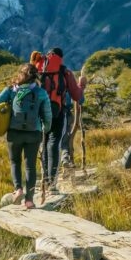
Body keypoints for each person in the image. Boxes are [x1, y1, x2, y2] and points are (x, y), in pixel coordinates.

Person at [0, 63, 52, 209]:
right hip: (34, 133)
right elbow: (47, 115)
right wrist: (46, 129)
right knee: (30, 166)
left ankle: (18, 190)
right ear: (35, 76)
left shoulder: (11, 90)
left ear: (20, 75)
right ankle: (29, 200)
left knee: (15, 162)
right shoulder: (41, 92)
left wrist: (8, 106)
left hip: (14, 132)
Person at [40, 47, 85, 192]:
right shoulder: (65, 72)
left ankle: (44, 179)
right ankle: (51, 183)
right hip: (58, 112)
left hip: (39, 114)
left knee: (44, 143)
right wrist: (82, 84)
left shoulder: (39, 69)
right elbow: (77, 96)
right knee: (54, 144)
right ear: (61, 58)